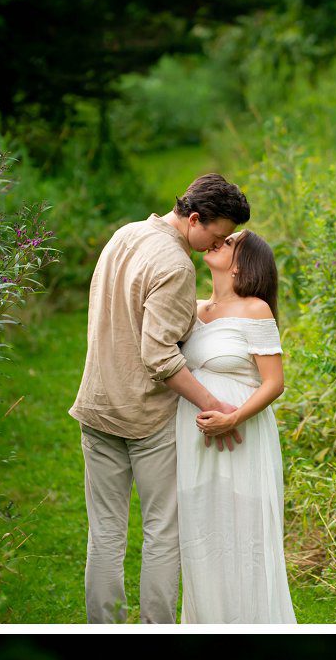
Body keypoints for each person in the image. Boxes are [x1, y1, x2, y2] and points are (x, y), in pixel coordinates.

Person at [69, 172, 251, 626]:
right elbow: (159, 357)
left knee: (105, 534)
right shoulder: (176, 265)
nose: (217, 246)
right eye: (217, 235)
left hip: (97, 403)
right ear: (195, 218)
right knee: (162, 534)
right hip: (146, 417)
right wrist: (214, 404)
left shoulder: (126, 234)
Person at [178, 231, 297, 623]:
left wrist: (232, 417)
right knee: (201, 525)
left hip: (242, 436)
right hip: (193, 435)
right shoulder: (194, 308)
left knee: (242, 529)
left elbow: (274, 383)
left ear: (243, 264)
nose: (217, 241)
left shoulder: (255, 310)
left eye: (229, 242)